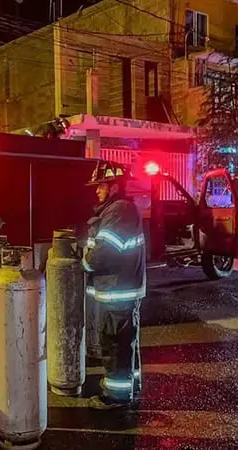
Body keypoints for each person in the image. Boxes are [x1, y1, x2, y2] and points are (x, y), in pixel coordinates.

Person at [81, 161, 147, 409]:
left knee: (114, 343)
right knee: (126, 341)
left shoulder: (119, 210)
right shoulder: (120, 209)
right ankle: (131, 385)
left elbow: (105, 252)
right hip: (122, 289)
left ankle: (116, 396)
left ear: (114, 186)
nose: (97, 190)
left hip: (118, 291)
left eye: (101, 185)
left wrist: (85, 263)